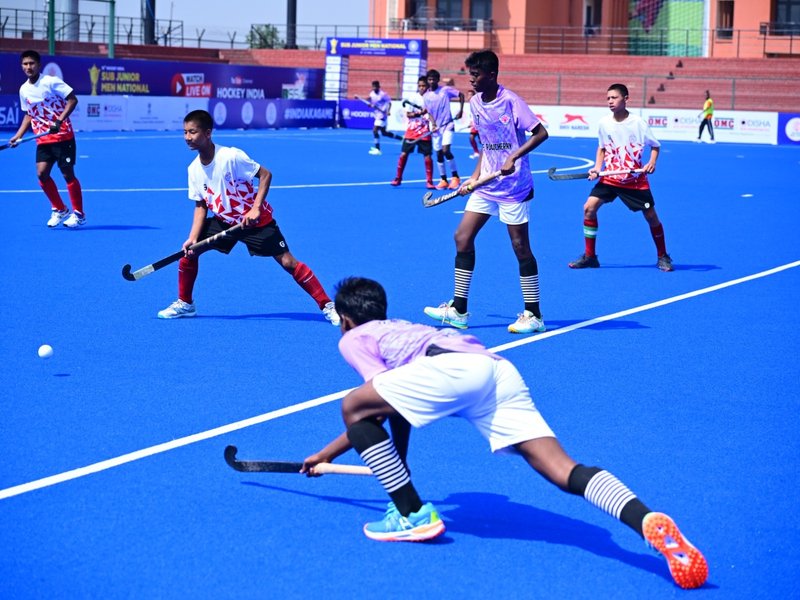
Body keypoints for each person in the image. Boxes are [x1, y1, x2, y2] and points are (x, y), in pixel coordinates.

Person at [302, 276, 708, 591]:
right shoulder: (402, 328)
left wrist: (327, 453)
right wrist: (393, 465)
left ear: (346, 319)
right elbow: (394, 406)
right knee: (563, 470)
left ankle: (411, 514)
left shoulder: (355, 337)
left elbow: (373, 408)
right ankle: (646, 518)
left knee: (351, 404)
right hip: (496, 369)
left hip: (449, 373)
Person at [156, 109, 340, 326]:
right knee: (188, 253)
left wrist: (255, 208)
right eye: (185, 132)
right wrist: (192, 237)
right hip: (225, 222)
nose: (187, 137)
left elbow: (265, 175)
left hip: (256, 222)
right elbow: (200, 205)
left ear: (208, 133)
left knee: (288, 262)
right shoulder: (193, 169)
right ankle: (185, 304)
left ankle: (327, 305)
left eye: (192, 132)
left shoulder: (231, 157)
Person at [423, 50, 548, 335]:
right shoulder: (476, 103)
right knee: (462, 237)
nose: (472, 80)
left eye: (476, 75)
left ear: (492, 75)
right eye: (470, 74)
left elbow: (541, 134)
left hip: (514, 186)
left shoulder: (512, 102)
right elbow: (487, 144)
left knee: (520, 247)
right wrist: (475, 176)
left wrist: (513, 157)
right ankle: (459, 310)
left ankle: (534, 314)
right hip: (488, 185)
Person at [567, 83, 673, 272]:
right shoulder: (604, 123)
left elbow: (655, 146)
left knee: (651, 216)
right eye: (608, 98)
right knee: (588, 208)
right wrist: (597, 167)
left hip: (634, 181)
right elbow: (602, 147)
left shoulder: (638, 123)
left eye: (614, 98)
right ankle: (590, 256)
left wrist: (651, 163)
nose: (610, 101)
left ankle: (663, 255)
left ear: (626, 99)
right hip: (610, 178)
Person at [9, 50, 85, 228]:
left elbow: (72, 100)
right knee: (42, 174)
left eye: (32, 63)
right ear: (22, 66)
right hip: (42, 138)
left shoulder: (50, 82)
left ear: (39, 65)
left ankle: (79, 215)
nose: (29, 67)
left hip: (63, 135)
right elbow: (29, 115)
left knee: (67, 174)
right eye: (25, 64)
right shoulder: (23, 89)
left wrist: (59, 120)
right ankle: (59, 209)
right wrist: (18, 135)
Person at [390, 76, 435, 189]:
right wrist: (420, 113)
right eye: (419, 86)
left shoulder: (431, 98)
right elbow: (408, 114)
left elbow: (433, 114)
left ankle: (429, 181)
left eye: (423, 86)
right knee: (404, 154)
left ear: (427, 86)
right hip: (411, 130)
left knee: (427, 156)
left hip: (424, 131)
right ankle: (398, 178)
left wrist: (433, 121)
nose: (421, 88)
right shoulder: (412, 98)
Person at [423, 69, 464, 190]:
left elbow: (461, 95)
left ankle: (455, 177)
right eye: (429, 79)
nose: (431, 82)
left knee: (446, 150)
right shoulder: (426, 96)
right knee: (439, 154)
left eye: (434, 79)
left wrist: (461, 111)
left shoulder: (445, 90)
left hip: (448, 125)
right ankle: (443, 180)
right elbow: (428, 112)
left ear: (437, 80)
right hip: (436, 128)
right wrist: (433, 124)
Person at [365, 81, 402, 156]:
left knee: (375, 131)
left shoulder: (383, 94)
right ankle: (401, 138)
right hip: (377, 115)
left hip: (382, 115)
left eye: (376, 87)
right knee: (384, 133)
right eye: (373, 87)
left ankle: (377, 149)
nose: (374, 88)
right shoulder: (371, 94)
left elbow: (389, 103)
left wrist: (388, 111)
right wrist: (369, 104)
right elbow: (372, 102)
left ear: (379, 86)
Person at [466, 89, 482, 159]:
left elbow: (478, 114)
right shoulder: (469, 105)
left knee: (482, 140)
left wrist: (476, 123)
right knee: (471, 137)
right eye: (468, 95)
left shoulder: (476, 104)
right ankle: (476, 152)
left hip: (479, 124)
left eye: (471, 95)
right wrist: (471, 122)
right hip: (475, 125)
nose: (469, 97)